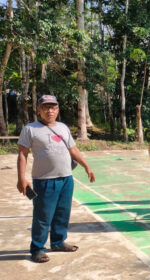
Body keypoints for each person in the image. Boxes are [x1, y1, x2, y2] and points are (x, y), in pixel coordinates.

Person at [17, 95, 95, 263]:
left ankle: (58, 242)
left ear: (58, 110)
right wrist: (21, 178)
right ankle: (37, 248)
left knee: (62, 214)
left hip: (66, 179)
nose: (49, 110)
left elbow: (73, 149)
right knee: (43, 217)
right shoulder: (30, 129)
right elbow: (23, 154)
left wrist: (86, 166)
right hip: (44, 181)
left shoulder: (63, 127)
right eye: (45, 107)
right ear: (39, 110)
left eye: (53, 107)